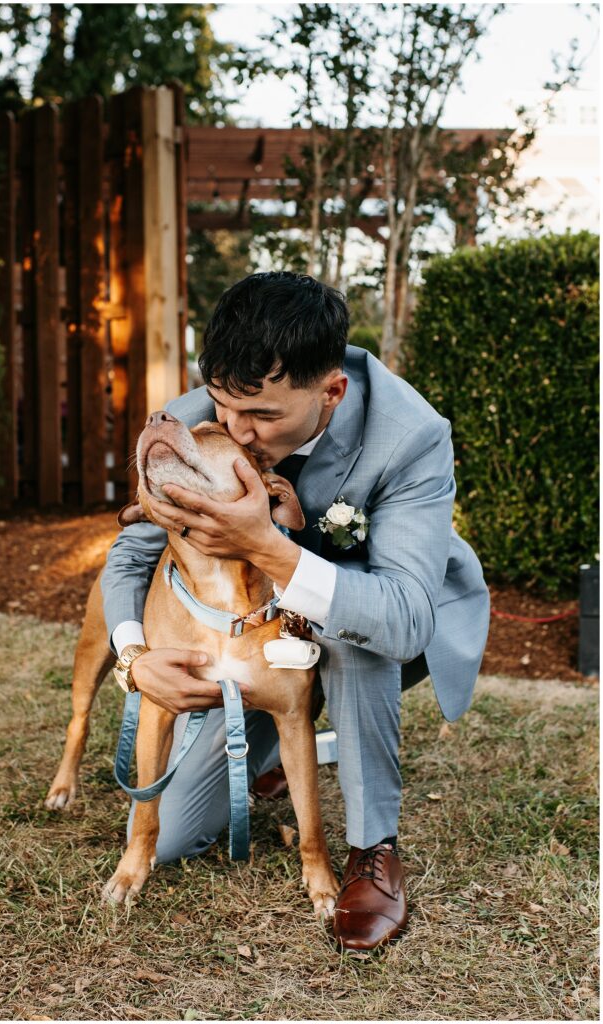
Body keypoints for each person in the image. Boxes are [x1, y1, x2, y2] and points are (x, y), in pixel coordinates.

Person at [101, 271, 490, 950]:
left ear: (331, 391)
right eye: (226, 407)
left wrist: (266, 548)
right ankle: (275, 748)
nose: (238, 430)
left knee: (352, 635)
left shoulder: (409, 436)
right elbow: (130, 554)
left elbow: (400, 617)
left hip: (380, 622)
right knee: (176, 835)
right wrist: (133, 659)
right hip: (251, 639)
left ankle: (372, 849)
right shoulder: (203, 414)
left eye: (262, 418)